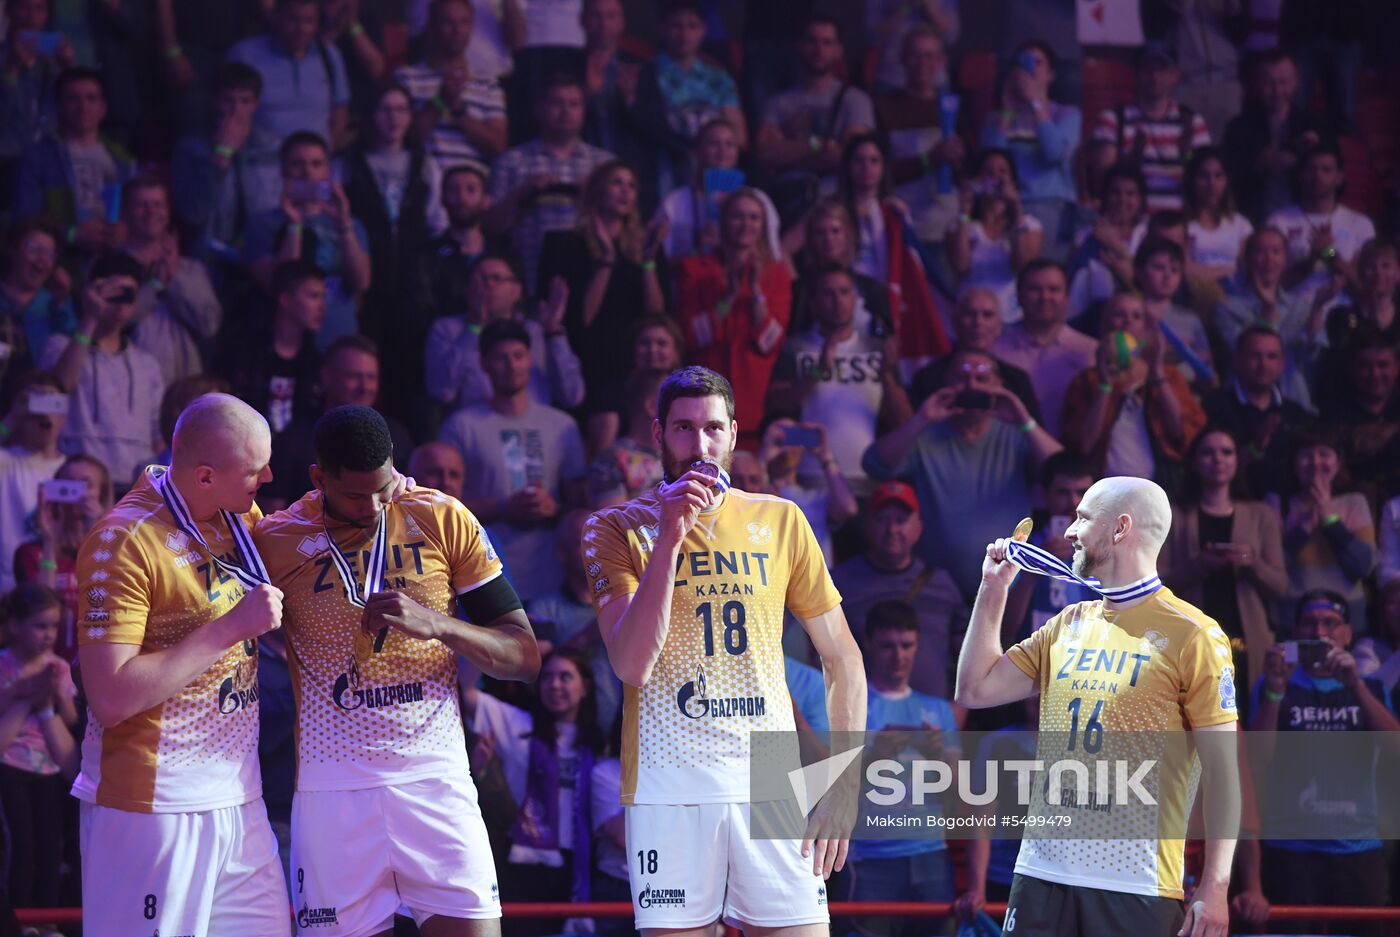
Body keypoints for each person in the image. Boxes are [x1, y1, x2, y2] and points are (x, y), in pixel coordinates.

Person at [583, 365, 867, 930]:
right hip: (668, 782)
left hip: (768, 776)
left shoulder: (781, 519)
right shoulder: (615, 528)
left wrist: (843, 783)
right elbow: (631, 662)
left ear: (735, 433)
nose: (700, 444)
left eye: (713, 428)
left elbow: (843, 659)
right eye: (684, 429)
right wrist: (670, 533)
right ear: (658, 434)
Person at [253, 403, 539, 937]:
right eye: (357, 495)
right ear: (319, 478)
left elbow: (524, 657)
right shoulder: (276, 538)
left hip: (436, 779)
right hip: (332, 790)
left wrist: (440, 626)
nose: (375, 505)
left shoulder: (441, 516)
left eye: (384, 488)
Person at [955, 476, 1238, 937]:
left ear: (1121, 528)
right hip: (1040, 874)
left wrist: (1216, 886)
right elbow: (974, 690)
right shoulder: (1069, 621)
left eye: (1083, 518)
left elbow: (1224, 775)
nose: (1068, 531)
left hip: (1135, 884)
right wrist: (993, 588)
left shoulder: (1196, 634)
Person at [71, 393, 290, 936]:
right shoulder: (121, 541)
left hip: (240, 797)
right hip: (153, 804)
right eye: (255, 470)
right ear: (206, 475)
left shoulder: (231, 512)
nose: (267, 478)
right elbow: (111, 695)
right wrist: (231, 628)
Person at [864, 348, 1064, 600]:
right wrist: (922, 418)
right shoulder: (927, 435)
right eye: (962, 377)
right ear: (947, 384)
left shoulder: (1017, 435)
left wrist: (1023, 418)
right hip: (935, 588)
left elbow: (1061, 470)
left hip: (1008, 587)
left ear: (999, 385)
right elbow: (874, 464)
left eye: (982, 378)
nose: (972, 385)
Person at [1250, 590, 1397, 932]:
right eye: (1309, 623)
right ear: (1296, 633)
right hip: (1291, 848)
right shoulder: (1273, 685)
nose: (1319, 633)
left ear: (1347, 633)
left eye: (1330, 624)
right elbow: (1257, 760)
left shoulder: (1372, 688)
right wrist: (1274, 691)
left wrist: (1356, 686)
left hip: (1358, 847)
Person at [439, 320, 587, 604]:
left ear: (530, 359)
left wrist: (555, 508)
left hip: (552, 577)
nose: (511, 365)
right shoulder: (461, 426)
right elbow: (443, 507)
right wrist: (504, 507)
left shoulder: (562, 425)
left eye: (518, 356)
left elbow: (579, 503)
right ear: (483, 363)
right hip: (485, 576)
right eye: (500, 357)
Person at [845, 599, 960, 935]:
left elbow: (958, 789)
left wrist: (939, 757)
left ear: (917, 644)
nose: (898, 655)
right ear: (869, 644)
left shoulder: (937, 710)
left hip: (930, 852)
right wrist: (875, 755)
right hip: (869, 857)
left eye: (907, 645)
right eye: (888, 646)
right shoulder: (850, 706)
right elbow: (829, 786)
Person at [1160, 427, 1288, 709]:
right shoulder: (1176, 515)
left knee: (1251, 719)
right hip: (1192, 639)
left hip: (1249, 637)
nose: (1217, 459)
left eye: (1226, 452)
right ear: (1194, 462)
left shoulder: (1260, 514)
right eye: (1208, 452)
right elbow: (1157, 585)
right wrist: (1199, 566)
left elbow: (1279, 586)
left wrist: (1252, 563)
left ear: (1236, 460)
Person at [538, 160, 667, 434]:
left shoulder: (644, 247)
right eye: (616, 183)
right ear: (597, 190)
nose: (625, 192)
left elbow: (655, 315)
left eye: (631, 186)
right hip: (589, 360)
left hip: (634, 359)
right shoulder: (565, 244)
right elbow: (583, 318)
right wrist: (606, 261)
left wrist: (648, 263)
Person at [765, 262, 900, 488]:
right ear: (814, 303)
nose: (837, 301)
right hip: (808, 479)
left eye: (844, 292)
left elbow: (903, 420)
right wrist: (817, 373)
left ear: (856, 299)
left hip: (868, 479)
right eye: (828, 293)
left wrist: (886, 376)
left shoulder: (876, 349)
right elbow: (774, 407)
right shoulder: (796, 348)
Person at [675, 188, 793, 437]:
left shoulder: (777, 274)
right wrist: (727, 299)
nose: (745, 224)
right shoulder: (695, 270)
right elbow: (692, 337)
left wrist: (756, 292)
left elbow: (769, 343)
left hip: (754, 406)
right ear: (723, 221)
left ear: (763, 225)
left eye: (753, 218)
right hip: (704, 402)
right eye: (738, 216)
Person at [1060, 291, 1206, 494]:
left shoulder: (1169, 375)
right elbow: (1084, 445)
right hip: (1106, 493)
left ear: (1145, 328)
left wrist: (1157, 372)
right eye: (1120, 314)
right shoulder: (1087, 380)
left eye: (1136, 316)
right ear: (1105, 324)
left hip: (1158, 491)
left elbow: (1181, 432)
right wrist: (1105, 385)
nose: (1128, 321)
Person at [339, 83, 448, 353]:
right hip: (364, 283)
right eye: (385, 109)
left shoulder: (425, 164)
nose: (393, 117)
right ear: (370, 115)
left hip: (413, 285)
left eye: (401, 109)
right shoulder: (348, 163)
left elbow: (437, 223)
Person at [39, 252, 163, 489]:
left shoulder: (147, 363)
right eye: (112, 292)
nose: (120, 302)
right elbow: (57, 391)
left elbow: (157, 436)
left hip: (136, 485)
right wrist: (91, 316)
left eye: (128, 294)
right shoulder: (59, 346)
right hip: (78, 479)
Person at [831, 481, 965, 698]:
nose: (892, 529)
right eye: (882, 519)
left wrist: (956, 713)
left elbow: (968, 657)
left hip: (935, 724)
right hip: (865, 722)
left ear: (918, 529)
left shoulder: (943, 583)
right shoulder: (838, 584)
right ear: (867, 525)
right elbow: (817, 658)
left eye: (901, 520)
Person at [486, 73, 614, 293]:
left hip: (591, 282)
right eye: (557, 103)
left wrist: (596, 195)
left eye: (574, 104)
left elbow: (626, 227)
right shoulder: (511, 162)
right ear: (539, 110)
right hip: (527, 280)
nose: (566, 111)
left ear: (584, 111)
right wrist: (523, 192)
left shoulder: (604, 166)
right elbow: (491, 227)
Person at [837, 133, 951, 379]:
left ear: (883, 167)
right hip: (847, 301)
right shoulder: (834, 210)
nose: (867, 167)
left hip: (888, 303)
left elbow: (910, 266)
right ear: (848, 167)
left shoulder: (894, 211)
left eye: (874, 160)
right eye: (859, 161)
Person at [245, 131, 372, 348]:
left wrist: (344, 225)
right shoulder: (262, 223)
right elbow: (278, 283)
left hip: (338, 341)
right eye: (297, 164)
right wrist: (294, 224)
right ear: (283, 170)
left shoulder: (350, 224)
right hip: (287, 344)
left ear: (327, 170)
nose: (307, 173)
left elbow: (361, 281)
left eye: (316, 164)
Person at [263, 334, 417, 509]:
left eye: (371, 377)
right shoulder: (294, 440)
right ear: (326, 376)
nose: (364, 387)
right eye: (353, 376)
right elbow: (273, 514)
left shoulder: (397, 435)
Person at [426, 251, 584, 415]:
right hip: (475, 431)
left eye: (497, 278)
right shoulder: (447, 329)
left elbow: (571, 395)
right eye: (481, 279)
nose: (489, 285)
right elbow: (441, 391)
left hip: (533, 431)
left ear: (516, 291)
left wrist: (553, 331)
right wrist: (473, 328)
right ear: (468, 290)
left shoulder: (537, 332)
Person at [0, 583, 79, 910]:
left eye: (54, 627)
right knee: (23, 844)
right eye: (40, 626)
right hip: (11, 764)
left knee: (50, 844)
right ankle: (19, 919)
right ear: (16, 625)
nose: (48, 634)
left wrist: (57, 695)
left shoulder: (59, 666)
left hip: (48, 765)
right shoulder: (4, 664)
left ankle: (46, 919)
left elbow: (73, 719)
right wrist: (24, 690)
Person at [170, 62, 283, 282]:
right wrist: (219, 158)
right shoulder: (191, 150)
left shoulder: (273, 148)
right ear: (214, 101)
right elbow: (192, 214)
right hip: (210, 261)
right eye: (228, 100)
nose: (235, 110)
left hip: (262, 262)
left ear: (256, 104)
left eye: (245, 101)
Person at [756, 16, 876, 224]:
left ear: (839, 50)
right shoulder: (778, 102)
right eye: (812, 41)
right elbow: (766, 153)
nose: (819, 49)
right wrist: (819, 145)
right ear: (799, 47)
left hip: (836, 203)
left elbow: (850, 158)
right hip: (787, 201)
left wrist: (789, 153)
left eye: (827, 43)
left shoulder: (855, 100)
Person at [11, 67, 132, 258]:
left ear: (103, 108)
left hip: (112, 263)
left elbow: (137, 217)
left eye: (91, 98)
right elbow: (24, 222)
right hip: (56, 263)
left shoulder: (123, 161)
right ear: (59, 106)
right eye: (73, 98)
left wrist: (126, 232)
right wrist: (72, 235)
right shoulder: (37, 158)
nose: (82, 107)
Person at [978, 41, 1080, 258]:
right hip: (1004, 206)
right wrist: (1006, 110)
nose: (1030, 68)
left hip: (1050, 204)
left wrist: (1036, 103)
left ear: (1051, 74)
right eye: (1023, 63)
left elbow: (1052, 154)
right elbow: (990, 163)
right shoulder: (997, 119)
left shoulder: (1067, 114)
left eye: (1038, 63)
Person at [1268, 430, 1376, 634]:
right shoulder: (1278, 503)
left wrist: (1330, 520)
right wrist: (1306, 525)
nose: (1315, 462)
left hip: (1347, 616)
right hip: (1293, 616)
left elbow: (1365, 566)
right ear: (1294, 462)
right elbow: (1275, 564)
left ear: (1338, 462)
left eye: (1324, 454)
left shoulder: (1354, 502)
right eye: (1306, 455)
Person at [121, 175, 223, 387]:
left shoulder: (192, 269)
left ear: (168, 212)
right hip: (131, 383)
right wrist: (155, 284)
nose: (151, 212)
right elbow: (116, 320)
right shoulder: (111, 265)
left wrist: (175, 277)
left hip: (186, 385)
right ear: (125, 213)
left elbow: (209, 323)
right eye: (141, 205)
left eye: (158, 205)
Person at [1090, 41, 1212, 214]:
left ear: (1174, 75)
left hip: (1178, 223)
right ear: (1136, 73)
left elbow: (1205, 183)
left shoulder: (1192, 122)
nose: (1154, 76)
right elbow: (1101, 182)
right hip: (1130, 224)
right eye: (1147, 68)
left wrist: (1187, 155)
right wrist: (1133, 159)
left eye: (1162, 69)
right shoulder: (1113, 120)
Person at [872, 24, 966, 245]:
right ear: (903, 59)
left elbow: (968, 174)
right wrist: (928, 160)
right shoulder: (885, 108)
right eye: (915, 56)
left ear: (941, 61)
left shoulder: (956, 107)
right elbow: (879, 173)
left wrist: (959, 160)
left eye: (929, 56)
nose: (923, 64)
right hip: (902, 223)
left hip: (947, 227)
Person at [14, 454, 112, 662]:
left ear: (102, 495)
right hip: (47, 665)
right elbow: (39, 608)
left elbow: (112, 601)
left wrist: (99, 532)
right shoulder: (31, 553)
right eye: (69, 484)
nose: (78, 493)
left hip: (98, 664)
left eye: (86, 484)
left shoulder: (117, 551)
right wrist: (50, 543)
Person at [394, 0, 508, 174]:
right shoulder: (406, 78)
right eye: (448, 22)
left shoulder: (488, 84)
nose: (457, 30)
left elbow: (498, 147)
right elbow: (402, 138)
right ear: (431, 26)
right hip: (421, 186)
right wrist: (440, 100)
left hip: (472, 190)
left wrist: (459, 111)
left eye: (464, 22)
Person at [579, 0, 668, 218]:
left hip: (631, 174)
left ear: (622, 23)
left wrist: (630, 102)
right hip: (583, 171)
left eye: (610, 16)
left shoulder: (641, 67)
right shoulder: (570, 64)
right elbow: (554, 119)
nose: (603, 24)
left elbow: (658, 131)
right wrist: (587, 95)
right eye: (596, 16)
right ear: (582, 21)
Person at [990, 260, 1097, 440]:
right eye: (1035, 289)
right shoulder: (994, 350)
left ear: (1066, 297)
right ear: (1018, 296)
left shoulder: (1090, 352)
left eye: (1054, 289)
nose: (1045, 297)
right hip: (1008, 453)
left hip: (1068, 457)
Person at [999, 452, 1098, 644]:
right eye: (1062, 492)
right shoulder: (1021, 549)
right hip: (1032, 660)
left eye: (1083, 493)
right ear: (1043, 494)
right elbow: (1003, 630)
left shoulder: (1107, 551)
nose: (1074, 502)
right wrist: (1033, 570)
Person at [1222, 50, 1330, 224]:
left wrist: (1314, 154)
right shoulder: (1239, 128)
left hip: (1306, 220)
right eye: (1269, 83)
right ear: (1257, 84)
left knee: (1332, 250)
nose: (1277, 91)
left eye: (1283, 82)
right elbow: (1226, 177)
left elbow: (1336, 179)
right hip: (1254, 221)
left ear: (1296, 82)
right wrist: (1259, 164)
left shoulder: (1315, 125)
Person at [222, 259, 325, 439]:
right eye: (313, 296)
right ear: (285, 300)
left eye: (323, 297)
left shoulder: (315, 363)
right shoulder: (245, 353)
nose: (322, 306)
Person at [1202, 326, 1309, 498]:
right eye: (1254, 356)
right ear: (1236, 360)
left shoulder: (1296, 414)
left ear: (1281, 364)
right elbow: (1206, 467)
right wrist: (1254, 448)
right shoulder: (1214, 407)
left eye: (1271, 357)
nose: (1263, 364)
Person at [1266, 144, 1376, 310]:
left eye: (1326, 170)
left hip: (1341, 316)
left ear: (1339, 177)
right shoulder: (1279, 221)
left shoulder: (1360, 224)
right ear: (1300, 175)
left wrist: (1329, 253)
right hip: (1290, 316)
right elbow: (1270, 286)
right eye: (1312, 169)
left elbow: (1363, 289)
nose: (1318, 175)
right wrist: (1310, 261)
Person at [227, 0, 349, 148]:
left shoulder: (329, 54)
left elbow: (340, 112)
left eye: (308, 21)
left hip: (313, 164)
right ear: (276, 17)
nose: (300, 29)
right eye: (293, 19)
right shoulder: (244, 54)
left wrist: (325, 156)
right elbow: (228, 112)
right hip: (261, 163)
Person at [652, 0, 746, 194]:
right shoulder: (648, 73)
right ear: (663, 29)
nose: (684, 34)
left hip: (714, 166)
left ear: (703, 30)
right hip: (665, 163)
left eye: (692, 26)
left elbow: (740, 136)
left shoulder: (718, 78)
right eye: (676, 25)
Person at [907, 286, 1041, 421]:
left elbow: (1034, 433)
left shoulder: (1016, 381)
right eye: (969, 314)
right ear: (955, 321)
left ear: (999, 325)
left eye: (987, 315)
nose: (978, 322)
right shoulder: (927, 378)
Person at [656, 117, 782, 261]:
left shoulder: (758, 200)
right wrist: (697, 252)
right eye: (714, 143)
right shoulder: (674, 203)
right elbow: (662, 261)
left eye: (730, 144)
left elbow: (773, 257)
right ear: (697, 152)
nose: (723, 150)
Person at [947, 149, 1042, 322]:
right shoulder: (961, 225)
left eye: (1002, 172)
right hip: (971, 316)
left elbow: (1023, 266)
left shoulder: (1029, 225)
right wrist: (965, 211)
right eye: (988, 172)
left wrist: (1015, 206)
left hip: (1011, 316)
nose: (996, 177)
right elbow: (960, 265)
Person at [582, 314, 685, 458]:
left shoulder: (687, 394)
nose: (652, 350)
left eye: (661, 343)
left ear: (675, 352)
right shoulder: (613, 396)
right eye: (645, 343)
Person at [0, 372, 67, 592]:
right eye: (38, 403)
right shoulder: (7, 461)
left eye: (53, 402)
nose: (45, 412)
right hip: (10, 589)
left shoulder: (74, 470)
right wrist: (13, 416)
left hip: (62, 588)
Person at [1318, 238, 1400, 414]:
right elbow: (1341, 363)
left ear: (1398, 272)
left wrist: (1330, 252)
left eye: (1386, 266)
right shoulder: (1344, 317)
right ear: (1360, 272)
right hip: (1351, 406)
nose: (1378, 273)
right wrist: (1328, 252)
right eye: (1371, 267)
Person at [1065, 165, 1148, 327]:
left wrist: (1116, 246)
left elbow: (1148, 283)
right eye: (1115, 193)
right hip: (1085, 317)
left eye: (1130, 194)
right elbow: (1070, 277)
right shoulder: (1085, 236)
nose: (1122, 200)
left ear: (1140, 199)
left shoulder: (1147, 234)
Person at [0, 216, 73, 399]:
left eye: (50, 253)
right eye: (34, 249)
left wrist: (60, 303)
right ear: (12, 251)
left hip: (40, 409)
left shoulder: (56, 305)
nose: (42, 259)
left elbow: (74, 353)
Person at [1133, 237, 1217, 389]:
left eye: (1174, 270)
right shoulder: (1129, 313)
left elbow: (1206, 368)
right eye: (1158, 268)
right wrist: (1171, 350)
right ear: (1139, 272)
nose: (1167, 276)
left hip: (1183, 392)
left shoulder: (1190, 319)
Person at [1322, 342, 1400, 496]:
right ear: (1353, 368)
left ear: (1397, 367)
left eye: (1383, 365)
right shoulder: (1333, 415)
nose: (1375, 374)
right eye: (1366, 366)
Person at [587, 367, 666, 506]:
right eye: (673, 401)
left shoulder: (683, 456)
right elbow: (615, 523)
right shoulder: (610, 460)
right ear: (652, 407)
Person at [1184, 147, 1254, 284]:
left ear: (1226, 181)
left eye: (1218, 176)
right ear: (1193, 181)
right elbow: (1184, 268)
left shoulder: (1241, 224)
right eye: (1204, 176)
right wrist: (1228, 271)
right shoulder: (1183, 224)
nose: (1211, 184)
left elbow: (1250, 267)